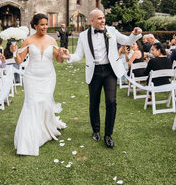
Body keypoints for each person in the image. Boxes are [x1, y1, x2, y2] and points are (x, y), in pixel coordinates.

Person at [61, 9, 142, 148]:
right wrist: (69, 57)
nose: (103, 20)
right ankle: (96, 131)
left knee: (111, 102)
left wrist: (135, 34)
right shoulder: (83, 36)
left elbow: (127, 40)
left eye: (103, 18)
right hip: (94, 72)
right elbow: (79, 55)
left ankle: (108, 134)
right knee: (94, 103)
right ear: (91, 21)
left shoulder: (112, 30)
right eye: (99, 18)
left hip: (110, 70)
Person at [10, 13, 66, 156]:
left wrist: (62, 54)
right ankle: (28, 140)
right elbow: (19, 61)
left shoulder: (52, 40)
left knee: (45, 103)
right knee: (31, 104)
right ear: (35, 26)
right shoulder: (27, 41)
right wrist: (15, 53)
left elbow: (58, 60)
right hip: (31, 77)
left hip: (48, 77)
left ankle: (45, 130)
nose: (45, 27)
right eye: (42, 24)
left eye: (46, 24)